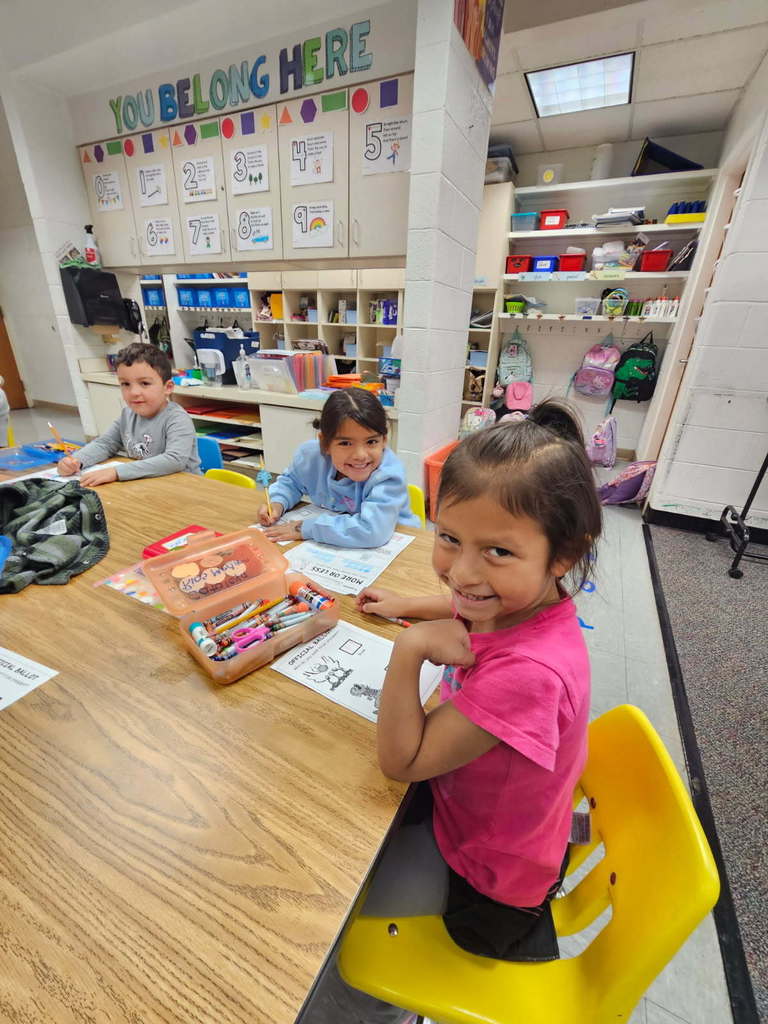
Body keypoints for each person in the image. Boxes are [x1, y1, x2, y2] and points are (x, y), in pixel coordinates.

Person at [301, 400, 602, 1023]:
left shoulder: (531, 674)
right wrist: (408, 603)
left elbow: (400, 761)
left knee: (325, 915)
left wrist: (409, 649)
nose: (462, 573)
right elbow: (473, 605)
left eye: (496, 552)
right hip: (472, 819)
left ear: (565, 554)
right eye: (449, 538)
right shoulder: (525, 603)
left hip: (488, 886)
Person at [259, 387, 419, 548]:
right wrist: (277, 502)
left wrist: (305, 528)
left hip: (402, 546)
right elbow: (291, 483)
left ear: (384, 440)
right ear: (324, 443)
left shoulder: (388, 475)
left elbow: (372, 531)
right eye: (345, 443)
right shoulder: (310, 456)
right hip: (341, 544)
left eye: (371, 442)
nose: (360, 455)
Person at [58, 342, 200, 485]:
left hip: (184, 487)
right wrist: (77, 461)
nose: (134, 392)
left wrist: (116, 472)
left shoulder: (176, 418)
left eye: (145, 383)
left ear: (167, 387)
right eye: (125, 384)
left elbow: (174, 460)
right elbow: (105, 443)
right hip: (148, 484)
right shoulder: (128, 414)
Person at [0, 375, 9, 448]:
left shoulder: (0, 392)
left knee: (2, 433)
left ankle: (3, 447)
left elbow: (1, 403)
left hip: (2, 416)